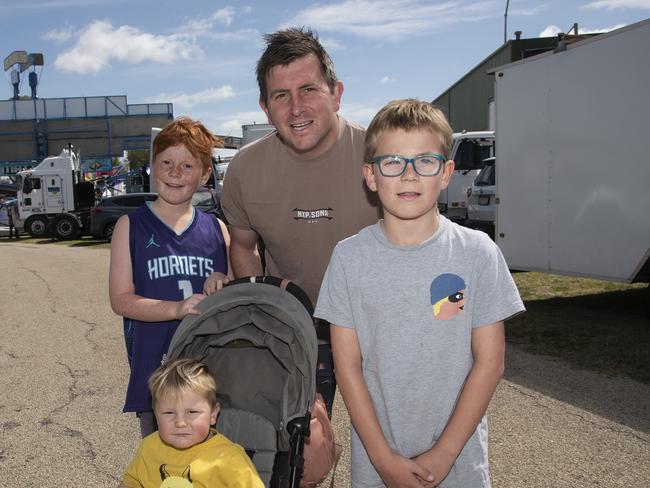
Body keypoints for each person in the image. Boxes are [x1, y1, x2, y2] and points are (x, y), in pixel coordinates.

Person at [314, 99, 525, 488]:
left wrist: (444, 454)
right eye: (393, 162)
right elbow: (348, 367)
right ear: (371, 176)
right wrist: (383, 459)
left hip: (458, 464)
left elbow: (490, 363)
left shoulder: (477, 253)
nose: (409, 175)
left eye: (424, 161)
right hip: (378, 466)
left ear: (445, 173)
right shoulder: (348, 258)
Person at [220, 27, 381, 416]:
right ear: (265, 107)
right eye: (281, 96)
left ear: (336, 93)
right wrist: (263, 315)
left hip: (377, 329)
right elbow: (244, 247)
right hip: (294, 330)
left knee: (390, 451)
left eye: (308, 89)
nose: (296, 109)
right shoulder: (244, 169)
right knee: (296, 456)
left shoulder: (379, 153)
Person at [110, 117, 231, 438]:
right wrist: (176, 309)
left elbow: (235, 297)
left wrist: (223, 279)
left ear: (205, 174)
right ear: (153, 166)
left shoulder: (218, 230)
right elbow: (121, 300)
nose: (175, 173)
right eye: (166, 162)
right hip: (157, 374)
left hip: (209, 374)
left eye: (187, 166)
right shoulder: (130, 225)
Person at [119, 358, 264, 488]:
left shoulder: (229, 459)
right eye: (169, 413)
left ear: (213, 414)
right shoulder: (149, 448)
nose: (180, 423)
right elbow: (131, 483)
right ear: (156, 415)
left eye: (192, 412)